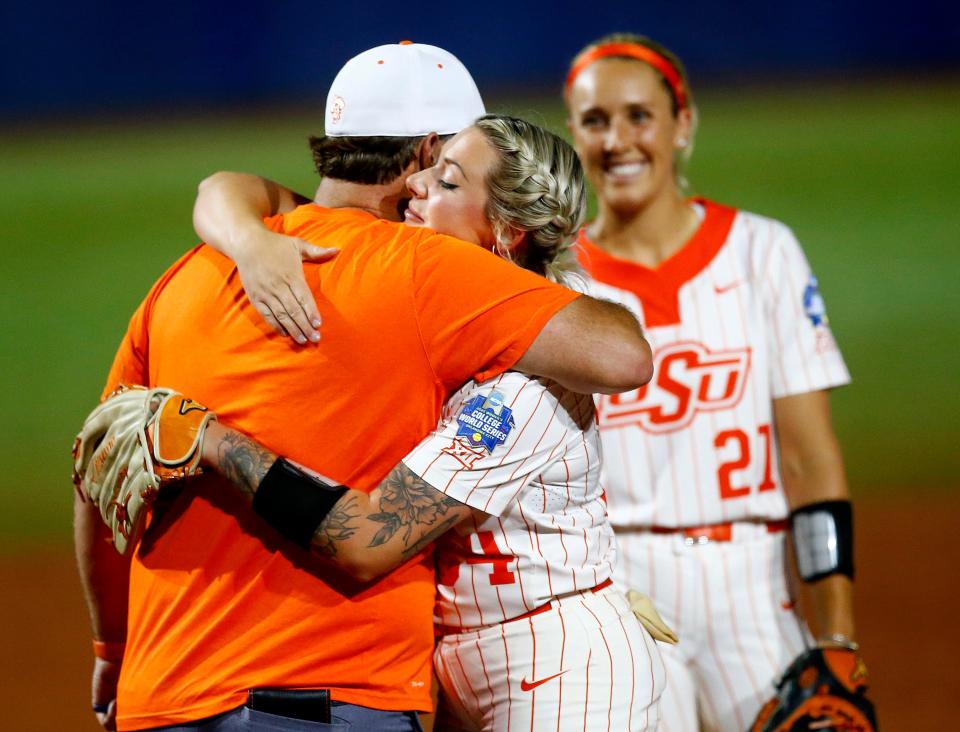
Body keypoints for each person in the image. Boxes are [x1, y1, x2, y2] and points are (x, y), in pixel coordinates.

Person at [216, 32, 868, 732]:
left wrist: (210, 441)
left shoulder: (532, 376)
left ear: (503, 232)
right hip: (495, 654)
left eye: (446, 182)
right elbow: (283, 199)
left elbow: (367, 537)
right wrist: (245, 233)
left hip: (567, 653)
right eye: (430, 172)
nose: (415, 190)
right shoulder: (453, 306)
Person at [73, 42, 653, 732]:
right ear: (429, 153)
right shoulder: (429, 272)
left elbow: (99, 474)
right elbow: (621, 352)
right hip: (345, 695)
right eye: (447, 168)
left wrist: (112, 647)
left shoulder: (185, 278)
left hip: (167, 694)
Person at [564, 33, 865, 731]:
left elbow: (809, 458)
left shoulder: (764, 251)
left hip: (752, 589)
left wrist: (839, 632)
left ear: (684, 124)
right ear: (573, 133)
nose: (618, 140)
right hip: (616, 587)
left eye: (639, 115)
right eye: (595, 121)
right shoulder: (555, 277)